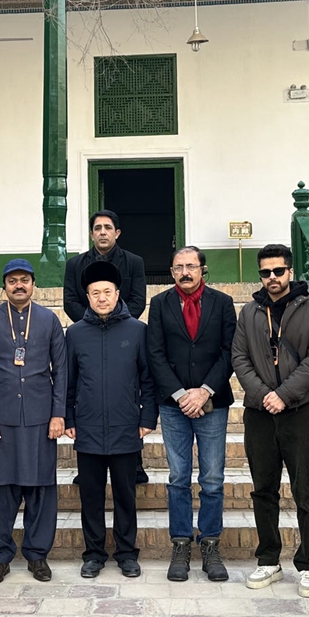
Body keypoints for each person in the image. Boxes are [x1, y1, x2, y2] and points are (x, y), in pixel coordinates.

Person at [231, 243, 309, 597]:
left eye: (278, 271)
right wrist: (262, 396)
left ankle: (308, 564)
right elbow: (239, 358)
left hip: (301, 412)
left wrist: (284, 394)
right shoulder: (249, 312)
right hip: (260, 414)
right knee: (263, 489)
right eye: (265, 272)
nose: (272, 278)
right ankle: (268, 559)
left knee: (305, 490)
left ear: (290, 271)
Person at [0, 259, 67, 585]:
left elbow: (62, 371)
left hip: (41, 419)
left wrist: (59, 414)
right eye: (12, 281)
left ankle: (37, 555)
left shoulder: (49, 320)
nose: (19, 285)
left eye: (24, 280)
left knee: (41, 489)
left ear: (33, 284)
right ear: (4, 286)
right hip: (0, 420)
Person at [147, 245, 236, 583]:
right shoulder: (159, 304)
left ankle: (211, 544)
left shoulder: (223, 303)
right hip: (174, 405)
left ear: (203, 269)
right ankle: (181, 543)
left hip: (213, 402)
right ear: (171, 272)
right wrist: (183, 394)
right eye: (178, 266)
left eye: (191, 266)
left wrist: (204, 391)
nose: (185, 272)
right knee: (178, 478)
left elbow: (230, 351)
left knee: (212, 478)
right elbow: (155, 353)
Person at [66, 260, 158, 579]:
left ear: (117, 293)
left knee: (125, 495)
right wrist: (68, 417)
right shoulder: (76, 334)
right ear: (87, 296)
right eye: (95, 293)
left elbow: (148, 378)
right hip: (88, 427)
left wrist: (147, 416)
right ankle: (93, 553)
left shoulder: (137, 330)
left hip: (125, 427)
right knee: (90, 497)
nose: (102, 297)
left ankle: (126, 553)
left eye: (107, 291)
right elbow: (69, 381)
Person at [64, 210, 150, 483]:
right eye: (97, 227)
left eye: (107, 227)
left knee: (124, 400)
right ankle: (88, 467)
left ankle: (134, 464)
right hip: (87, 332)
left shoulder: (134, 262)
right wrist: (91, 327)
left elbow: (137, 299)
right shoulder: (75, 264)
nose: (102, 232)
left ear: (117, 232)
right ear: (91, 233)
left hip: (124, 330)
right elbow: (70, 300)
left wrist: (117, 324)